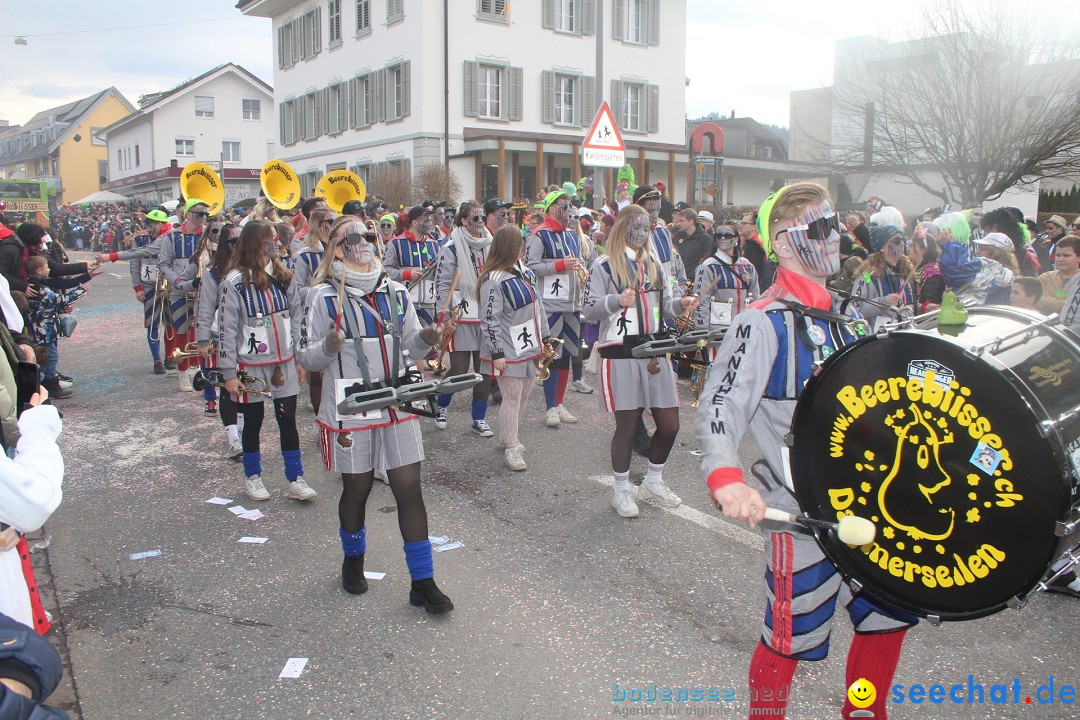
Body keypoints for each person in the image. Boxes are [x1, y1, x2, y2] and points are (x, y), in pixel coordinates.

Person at [697, 181, 915, 720]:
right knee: (788, 637)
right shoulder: (762, 322)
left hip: (875, 504)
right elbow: (720, 405)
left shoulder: (851, 314)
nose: (835, 236)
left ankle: (864, 712)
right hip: (804, 515)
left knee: (884, 619)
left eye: (834, 224)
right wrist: (726, 477)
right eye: (819, 228)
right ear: (787, 244)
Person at [297, 215, 454, 612]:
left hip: (397, 399)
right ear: (335, 245)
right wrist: (329, 347)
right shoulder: (323, 298)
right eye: (353, 237)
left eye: (369, 235)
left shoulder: (397, 292)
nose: (364, 241)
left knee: (409, 489)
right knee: (358, 488)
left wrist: (428, 339)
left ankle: (423, 581)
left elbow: (413, 349)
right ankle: (353, 561)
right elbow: (307, 358)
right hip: (353, 406)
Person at [583, 205, 696, 518]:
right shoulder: (604, 266)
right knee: (628, 426)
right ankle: (620, 491)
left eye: (647, 228)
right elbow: (589, 309)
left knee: (670, 425)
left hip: (655, 351)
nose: (642, 233)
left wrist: (681, 304)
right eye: (636, 227)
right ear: (623, 228)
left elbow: (665, 305)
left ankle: (653, 481)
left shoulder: (656, 264)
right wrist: (615, 301)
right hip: (620, 353)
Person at [218, 221, 315, 503]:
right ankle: (253, 477)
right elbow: (227, 329)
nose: (276, 243)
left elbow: (297, 316)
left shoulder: (285, 276)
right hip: (251, 365)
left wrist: (299, 356)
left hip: (284, 361)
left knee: (287, 420)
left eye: (276, 238)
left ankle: (296, 478)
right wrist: (229, 373)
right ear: (254, 244)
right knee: (254, 420)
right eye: (269, 239)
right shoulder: (234, 283)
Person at [478, 225, 550, 471]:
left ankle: (510, 436)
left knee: (525, 395)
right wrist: (496, 351)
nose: (524, 246)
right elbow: (489, 319)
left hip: (529, 344)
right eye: (520, 242)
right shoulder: (493, 279)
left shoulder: (527, 273)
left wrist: (546, 336)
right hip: (507, 348)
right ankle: (511, 446)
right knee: (511, 397)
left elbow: (538, 306)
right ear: (508, 245)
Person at [525, 190, 587, 428]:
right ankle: (550, 407)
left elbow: (580, 262)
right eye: (564, 205)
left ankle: (559, 403)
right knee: (551, 356)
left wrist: (583, 273)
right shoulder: (539, 235)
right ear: (552, 209)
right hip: (550, 305)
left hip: (572, 304)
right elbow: (531, 267)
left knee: (568, 355)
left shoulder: (572, 235)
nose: (569, 209)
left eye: (570, 205)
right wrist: (560, 265)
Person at [432, 202, 494, 435]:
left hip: (487, 314)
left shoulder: (491, 243)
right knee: (459, 368)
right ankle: (441, 405)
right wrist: (445, 314)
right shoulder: (451, 247)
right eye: (475, 219)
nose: (480, 223)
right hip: (461, 313)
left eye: (482, 219)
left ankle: (479, 417)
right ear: (464, 220)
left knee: (484, 370)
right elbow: (442, 284)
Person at [97, 209, 173, 374]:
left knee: (171, 323)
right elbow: (135, 261)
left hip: (170, 285)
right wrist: (137, 287)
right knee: (152, 323)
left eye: (155, 224)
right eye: (149, 225)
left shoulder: (172, 235)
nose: (152, 228)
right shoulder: (140, 238)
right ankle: (157, 360)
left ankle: (170, 357)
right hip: (150, 285)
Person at [192, 223, 243, 458]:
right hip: (220, 335)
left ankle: (243, 431)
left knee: (247, 385)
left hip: (248, 336)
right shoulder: (213, 273)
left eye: (241, 241)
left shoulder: (252, 268)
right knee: (226, 385)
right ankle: (233, 437)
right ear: (224, 245)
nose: (237, 246)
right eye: (233, 242)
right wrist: (202, 339)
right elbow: (204, 307)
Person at [159, 198, 208, 390]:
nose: (203, 217)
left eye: (205, 214)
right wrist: (177, 281)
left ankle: (198, 369)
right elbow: (163, 264)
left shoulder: (208, 235)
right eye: (199, 213)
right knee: (181, 331)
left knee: (201, 331)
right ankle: (183, 373)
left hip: (205, 291)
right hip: (180, 290)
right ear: (187, 214)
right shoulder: (172, 237)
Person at [693, 221, 759, 362]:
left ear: (736, 239)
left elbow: (756, 298)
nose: (722, 238)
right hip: (717, 335)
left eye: (727, 235)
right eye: (718, 235)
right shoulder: (707, 267)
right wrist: (702, 334)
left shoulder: (747, 266)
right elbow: (700, 302)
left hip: (743, 333)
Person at [25, 257, 85, 400]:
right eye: (47, 266)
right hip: (43, 328)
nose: (49, 269)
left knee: (47, 355)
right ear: (39, 270)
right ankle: (51, 385)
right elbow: (60, 299)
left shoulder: (36, 284)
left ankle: (46, 383)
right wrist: (80, 290)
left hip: (41, 326)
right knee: (50, 356)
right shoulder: (40, 287)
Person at [383, 206, 440, 325]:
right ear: (414, 222)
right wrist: (405, 274)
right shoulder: (395, 243)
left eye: (430, 219)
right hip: (404, 303)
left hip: (429, 306)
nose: (430, 223)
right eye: (425, 220)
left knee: (428, 343)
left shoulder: (434, 245)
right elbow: (384, 271)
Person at [849, 225, 915, 327]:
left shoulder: (906, 273)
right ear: (882, 247)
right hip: (880, 338)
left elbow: (910, 306)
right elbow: (855, 309)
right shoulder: (867, 276)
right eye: (897, 240)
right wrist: (883, 302)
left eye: (903, 239)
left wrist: (922, 307)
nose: (902, 243)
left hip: (906, 335)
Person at [1036, 235, 1080, 315]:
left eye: (1066, 255)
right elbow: (1036, 299)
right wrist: (1067, 304)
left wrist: (1048, 301)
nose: (1061, 259)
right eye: (1058, 255)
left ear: (1078, 258)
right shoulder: (1045, 278)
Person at [908, 222, 945, 312]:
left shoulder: (933, 275)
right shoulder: (914, 269)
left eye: (912, 246)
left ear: (923, 250)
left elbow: (932, 307)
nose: (908, 250)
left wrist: (922, 308)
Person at [671, 208, 712, 280]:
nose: (679, 224)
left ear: (691, 221)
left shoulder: (704, 238)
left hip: (695, 279)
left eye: (682, 221)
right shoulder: (677, 236)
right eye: (678, 221)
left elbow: (707, 260)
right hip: (677, 278)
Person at [739, 210, 775, 290]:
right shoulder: (756, 241)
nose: (740, 226)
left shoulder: (756, 244)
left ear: (754, 226)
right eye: (741, 223)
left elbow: (754, 271)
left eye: (744, 223)